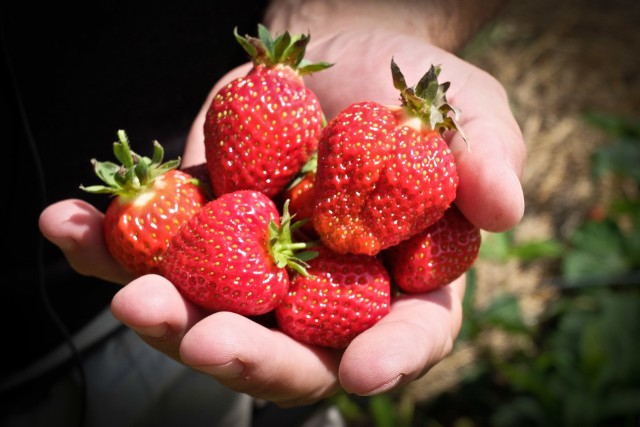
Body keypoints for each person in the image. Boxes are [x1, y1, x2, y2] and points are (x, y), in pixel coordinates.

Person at [2, 0, 526, 425]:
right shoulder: (255, 204)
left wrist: (337, 15)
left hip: (164, 303)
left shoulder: (363, 156)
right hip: (52, 338)